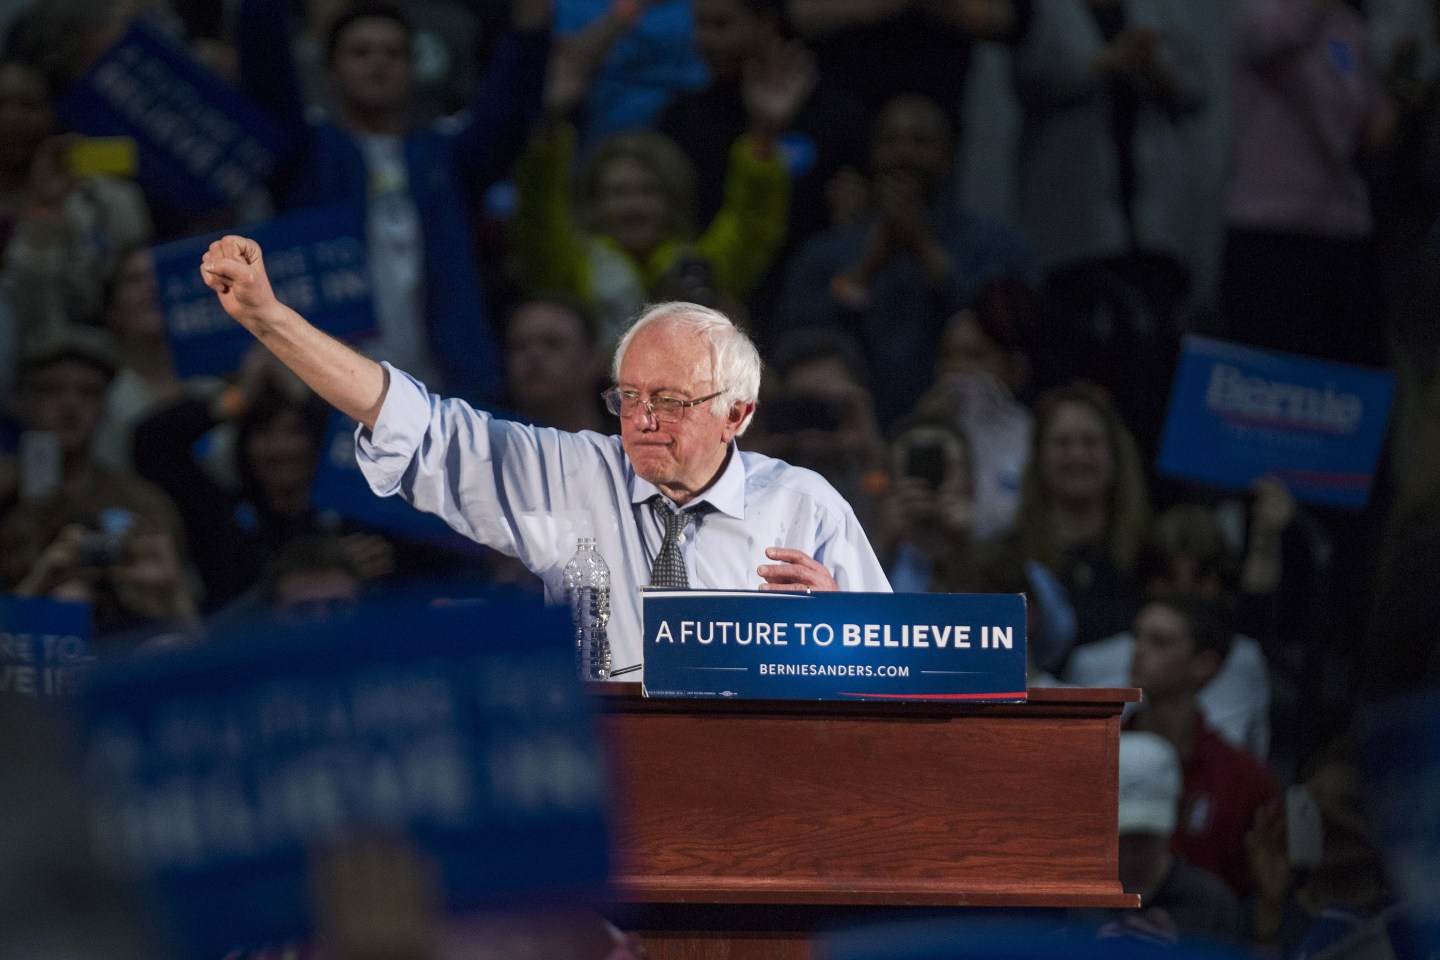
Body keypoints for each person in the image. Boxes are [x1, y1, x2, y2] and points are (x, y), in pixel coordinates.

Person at [199, 235, 892, 680]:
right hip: (616, 804)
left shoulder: (803, 507)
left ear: (737, 413)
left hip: (759, 798)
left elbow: (900, 673)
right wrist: (270, 319)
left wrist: (842, 632)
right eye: (629, 397)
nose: (643, 421)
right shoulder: (571, 476)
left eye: (672, 401)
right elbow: (404, 414)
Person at [236, 0, 551, 401]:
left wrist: (531, 25)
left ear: (413, 68)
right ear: (329, 69)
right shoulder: (306, 156)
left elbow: (511, 111)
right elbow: (264, 71)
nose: (378, 63)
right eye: (360, 52)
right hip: (329, 392)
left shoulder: (446, 158)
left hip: (445, 391)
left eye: (393, 53)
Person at [1126, 592, 1281, 898]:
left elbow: (1256, 892)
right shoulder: (1094, 755)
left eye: (1159, 641)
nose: (1137, 651)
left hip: (1204, 935)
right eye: (1137, 636)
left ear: (1203, 665)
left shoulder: (1244, 780)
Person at [1070, 731, 1244, 945]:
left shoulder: (1212, 904)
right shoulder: (1073, 902)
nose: (1134, 850)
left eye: (1147, 836)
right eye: (1125, 836)